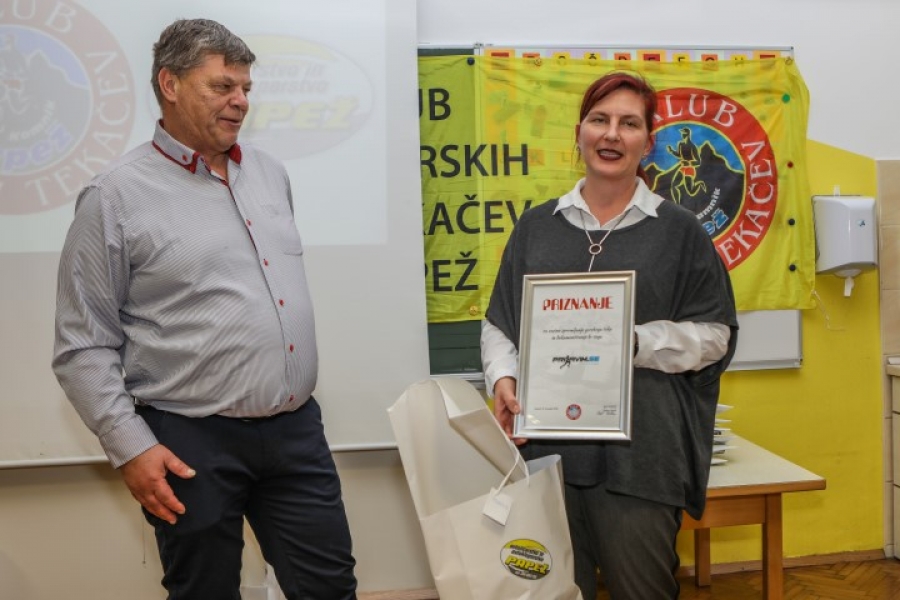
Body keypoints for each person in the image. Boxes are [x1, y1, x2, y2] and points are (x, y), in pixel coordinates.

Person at [51, 18, 357, 600]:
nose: (240, 101)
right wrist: (131, 447)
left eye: (245, 88)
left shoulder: (268, 173)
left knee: (330, 587)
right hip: (188, 442)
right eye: (223, 86)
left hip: (295, 430)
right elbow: (82, 344)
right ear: (170, 84)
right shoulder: (114, 196)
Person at [482, 71, 739, 600]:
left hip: (642, 458)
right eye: (599, 120)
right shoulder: (536, 226)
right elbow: (500, 322)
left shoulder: (680, 230)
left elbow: (716, 335)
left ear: (649, 141)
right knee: (553, 592)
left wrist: (633, 342)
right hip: (547, 451)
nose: (612, 134)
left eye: (629, 123)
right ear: (579, 133)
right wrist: (503, 378)